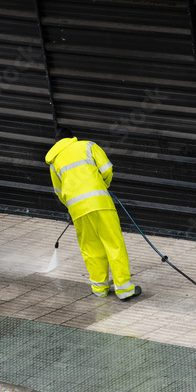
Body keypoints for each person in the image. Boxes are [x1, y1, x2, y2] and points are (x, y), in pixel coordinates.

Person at [45, 127, 141, 301]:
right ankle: (124, 289)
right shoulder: (88, 146)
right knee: (113, 243)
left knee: (90, 247)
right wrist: (102, 186)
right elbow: (106, 170)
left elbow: (58, 191)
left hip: (77, 209)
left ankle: (99, 287)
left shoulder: (54, 161)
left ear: (57, 143)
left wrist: (74, 204)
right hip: (99, 202)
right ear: (73, 137)